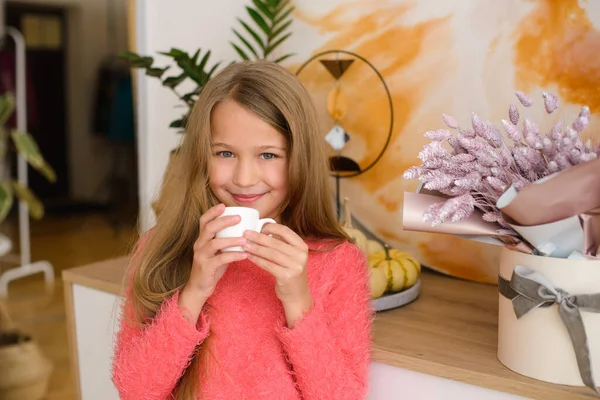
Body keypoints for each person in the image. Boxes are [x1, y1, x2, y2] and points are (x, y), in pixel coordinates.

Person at [111, 60, 373, 400]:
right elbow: (135, 391)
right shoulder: (159, 248)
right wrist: (194, 291)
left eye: (267, 154)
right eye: (224, 153)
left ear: (299, 158)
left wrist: (298, 299)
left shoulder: (338, 261)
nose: (244, 178)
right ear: (201, 157)